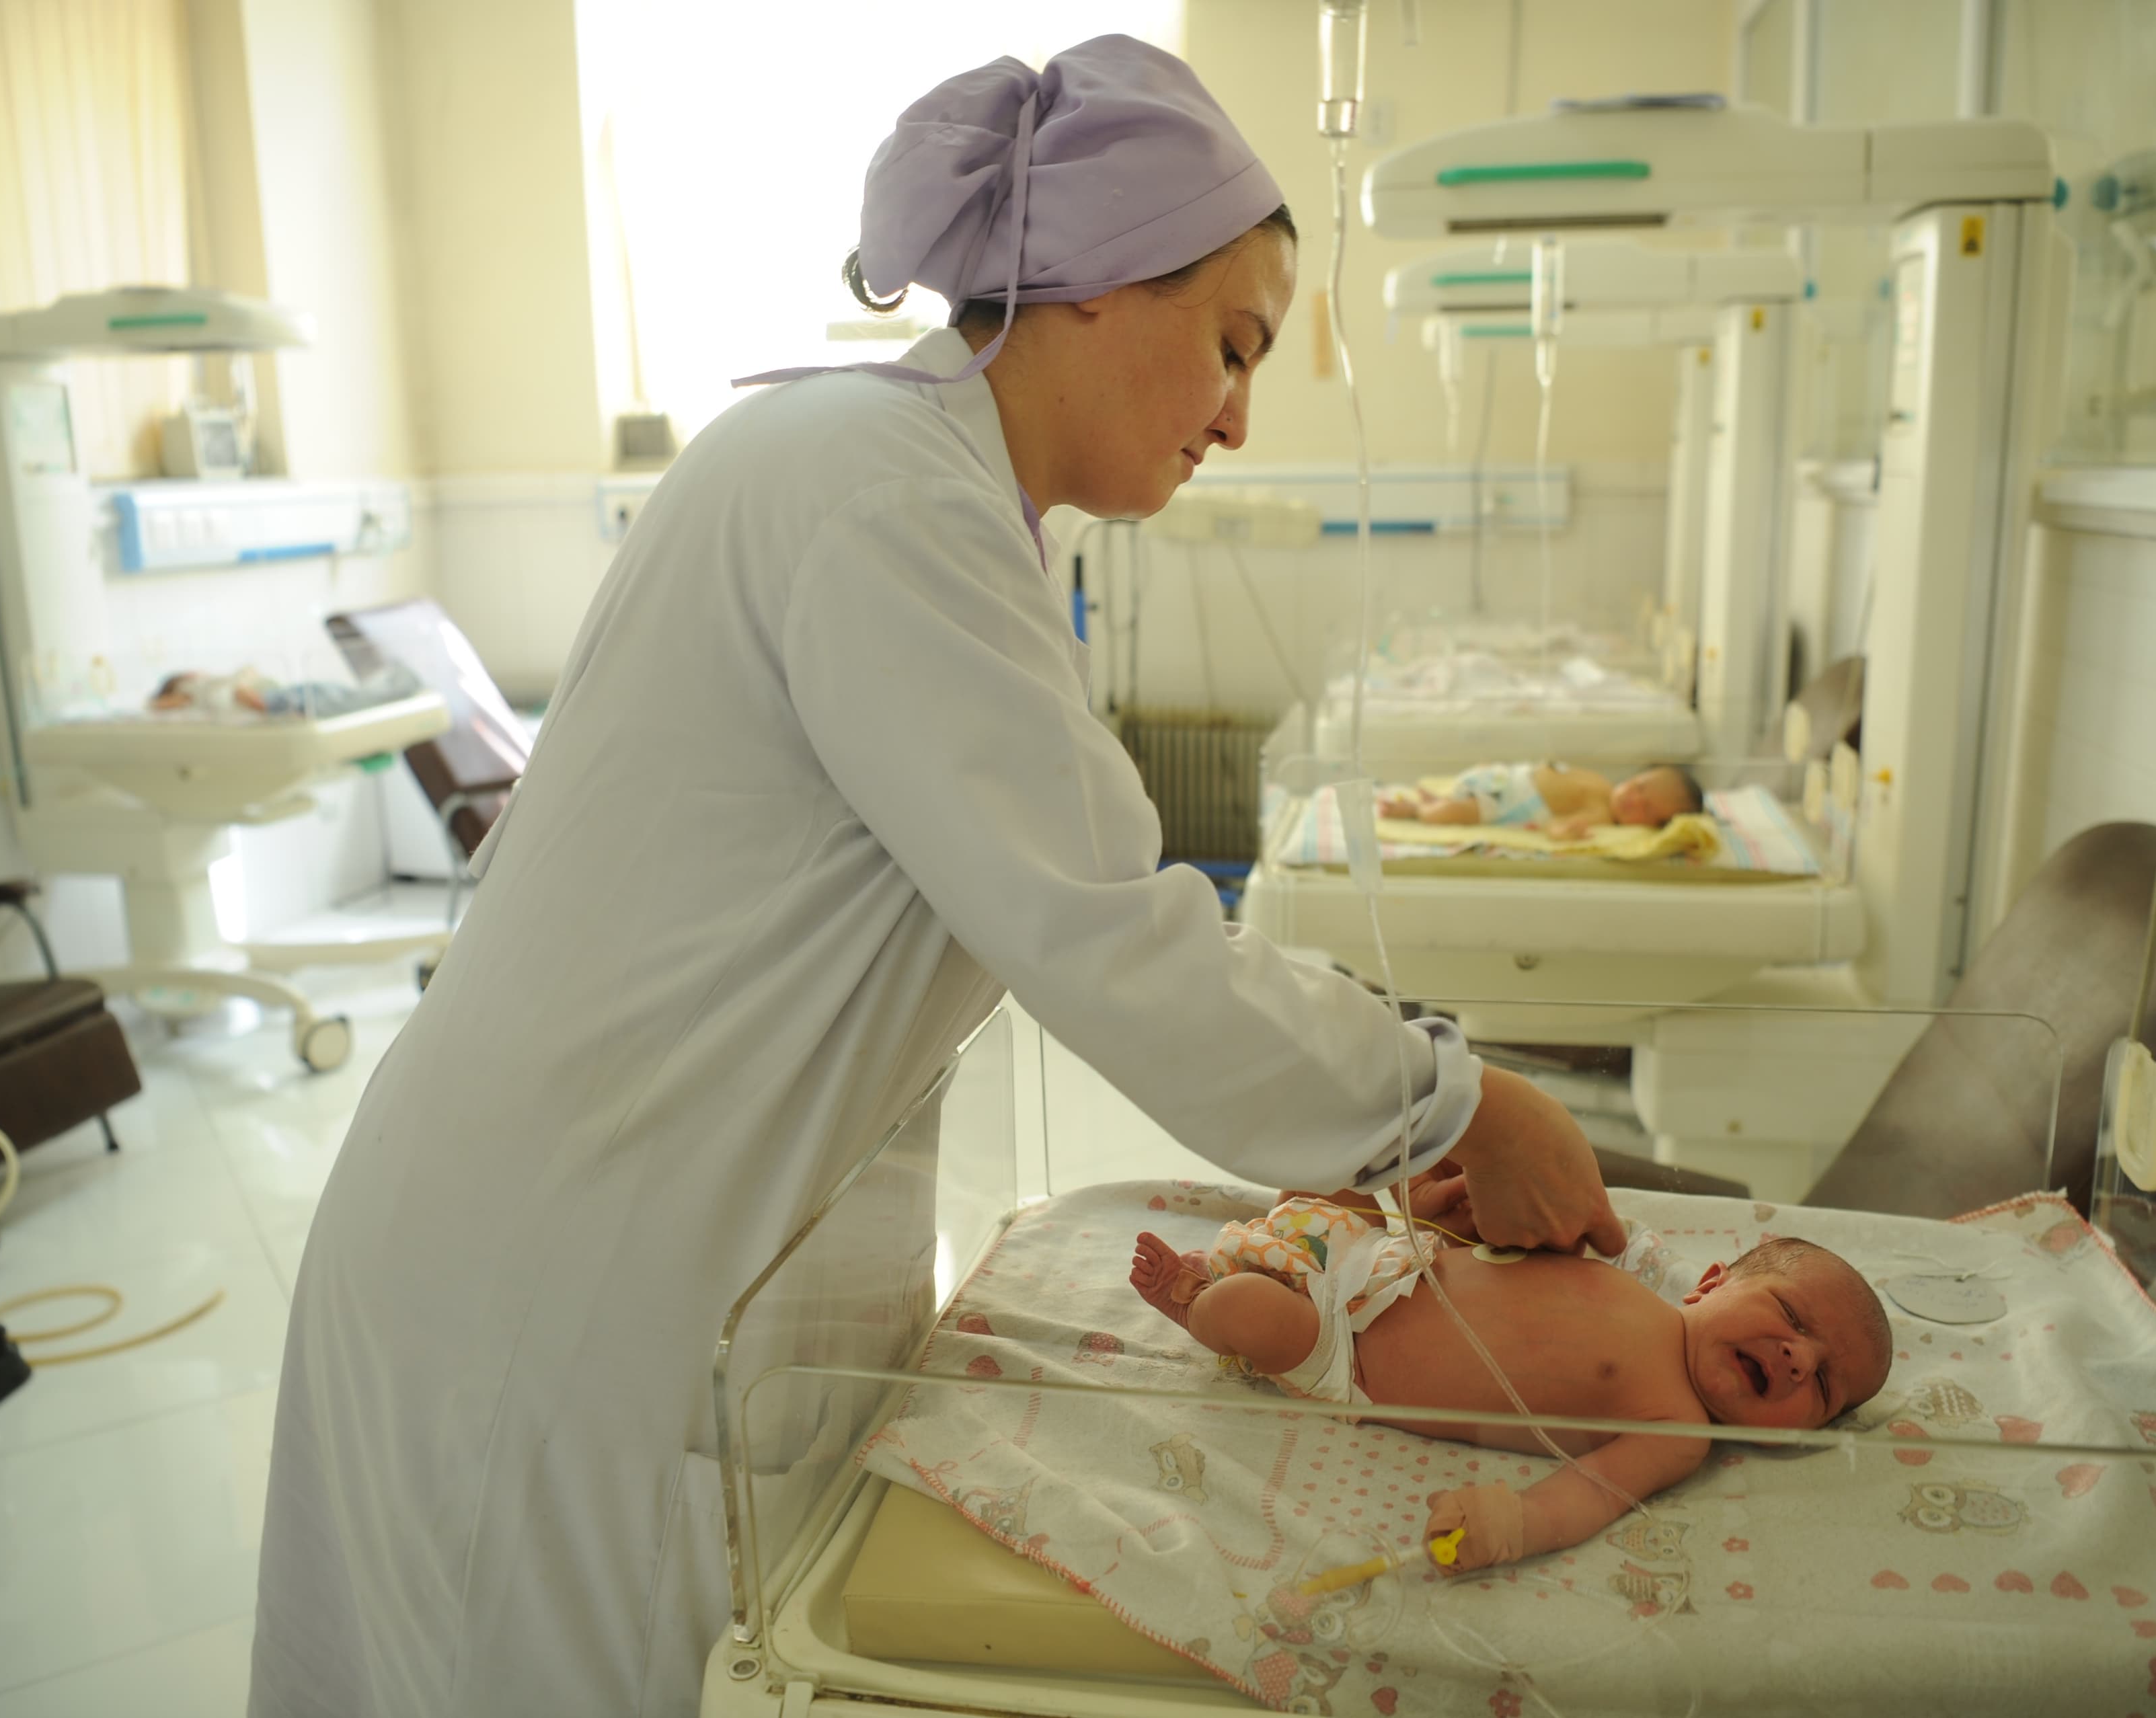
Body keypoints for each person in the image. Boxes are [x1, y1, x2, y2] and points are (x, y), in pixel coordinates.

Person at [249, 35, 1627, 1718]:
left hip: (612, 1243)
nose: (1241, 419)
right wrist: (1452, 1106)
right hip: (551, 1299)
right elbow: (1118, 943)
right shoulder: (875, 498)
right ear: (1098, 285)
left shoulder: (909, 492)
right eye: (1231, 345)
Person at [1129, 1206, 1892, 1565]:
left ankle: (1190, 1298)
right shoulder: (1636, 1281)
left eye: (1823, 1384)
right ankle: (1225, 1262)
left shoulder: (1678, 1427)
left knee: (1249, 1314)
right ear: (1712, 1282)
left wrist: (1511, 1522)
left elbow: (1590, 1491)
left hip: (1345, 1353)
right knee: (1306, 1204)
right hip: (1379, 1256)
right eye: (1791, 1316)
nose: (1797, 1357)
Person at [1380, 760, 1704, 837]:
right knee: (1460, 792)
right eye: (1638, 786)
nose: (1633, 798)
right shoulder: (1604, 785)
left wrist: (1566, 832)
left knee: (1453, 813)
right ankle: (1437, 797)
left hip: (1509, 803)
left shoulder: (1602, 813)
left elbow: (1558, 828)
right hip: (1509, 777)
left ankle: (1416, 809)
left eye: (1646, 808)